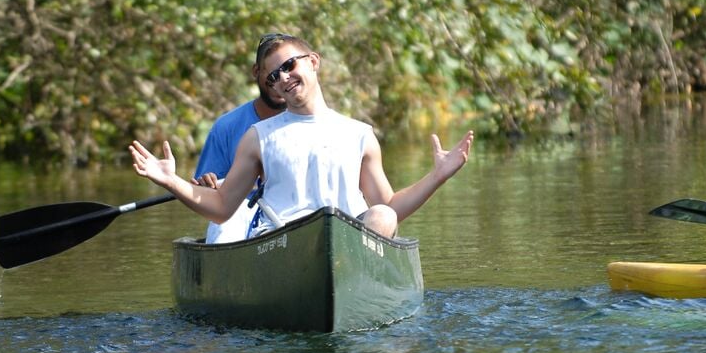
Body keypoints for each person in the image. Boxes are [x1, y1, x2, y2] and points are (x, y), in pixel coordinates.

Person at [130, 34, 474, 238]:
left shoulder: (359, 134)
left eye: (290, 65)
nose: (283, 78)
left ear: (313, 62)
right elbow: (222, 208)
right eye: (273, 76)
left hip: (349, 243)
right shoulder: (257, 136)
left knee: (383, 216)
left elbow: (390, 205)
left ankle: (357, 296)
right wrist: (172, 181)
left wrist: (438, 176)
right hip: (283, 242)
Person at [191, 34, 288, 243]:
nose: (280, 80)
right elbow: (206, 199)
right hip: (240, 213)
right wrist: (206, 187)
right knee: (227, 221)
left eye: (287, 70)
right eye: (272, 73)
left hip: (291, 211)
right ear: (256, 72)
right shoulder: (226, 126)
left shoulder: (312, 124)